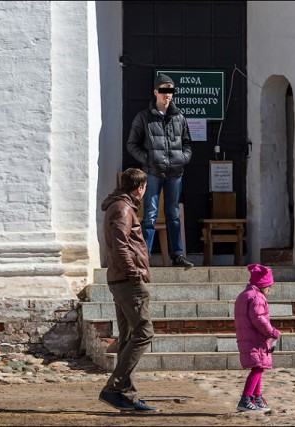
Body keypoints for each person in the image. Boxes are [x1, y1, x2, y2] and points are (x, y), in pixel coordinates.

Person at [98, 168, 158, 412]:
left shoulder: (120, 206)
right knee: (144, 333)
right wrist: (134, 273)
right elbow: (121, 245)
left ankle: (126, 395)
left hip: (120, 278)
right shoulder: (123, 209)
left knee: (128, 337)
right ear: (139, 188)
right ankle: (114, 387)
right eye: (144, 188)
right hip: (127, 280)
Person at [126, 73, 194, 268]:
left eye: (171, 91)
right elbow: (132, 145)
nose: (168, 95)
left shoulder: (179, 117)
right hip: (153, 172)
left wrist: (183, 158)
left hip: (175, 173)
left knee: (173, 214)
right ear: (156, 92)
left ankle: (177, 256)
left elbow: (188, 144)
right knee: (150, 215)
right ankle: (144, 256)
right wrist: (148, 159)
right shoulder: (144, 117)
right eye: (164, 90)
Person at [233, 264, 281, 412]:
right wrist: (272, 332)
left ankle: (256, 396)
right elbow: (259, 319)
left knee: (259, 367)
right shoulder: (257, 298)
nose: (269, 290)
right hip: (256, 339)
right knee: (258, 369)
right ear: (262, 285)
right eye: (268, 287)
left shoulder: (244, 295)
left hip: (247, 337)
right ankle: (246, 398)